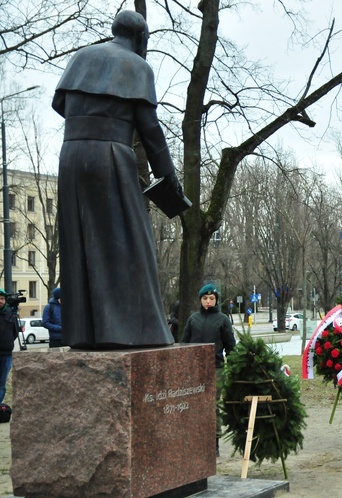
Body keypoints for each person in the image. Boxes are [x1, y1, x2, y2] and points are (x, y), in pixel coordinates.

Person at [51, 10, 183, 349]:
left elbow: (61, 103)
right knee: (130, 243)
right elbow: (150, 129)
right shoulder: (137, 67)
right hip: (110, 155)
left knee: (81, 241)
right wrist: (168, 176)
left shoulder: (83, 57)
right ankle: (136, 332)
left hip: (71, 156)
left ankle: (85, 334)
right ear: (141, 38)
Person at [182, 284, 236, 456]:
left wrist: (233, 367)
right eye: (205, 298)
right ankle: (195, 440)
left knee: (213, 406)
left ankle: (214, 443)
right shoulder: (193, 319)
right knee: (195, 405)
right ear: (200, 300)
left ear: (216, 300)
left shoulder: (222, 320)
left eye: (211, 299)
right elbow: (184, 344)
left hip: (216, 369)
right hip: (195, 370)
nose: (208, 301)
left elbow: (231, 347)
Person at [0, 290, 19, 404]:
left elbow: (15, 332)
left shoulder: (10, 313)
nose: (0, 301)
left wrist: (8, 342)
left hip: (6, 354)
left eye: (2, 299)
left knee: (2, 384)